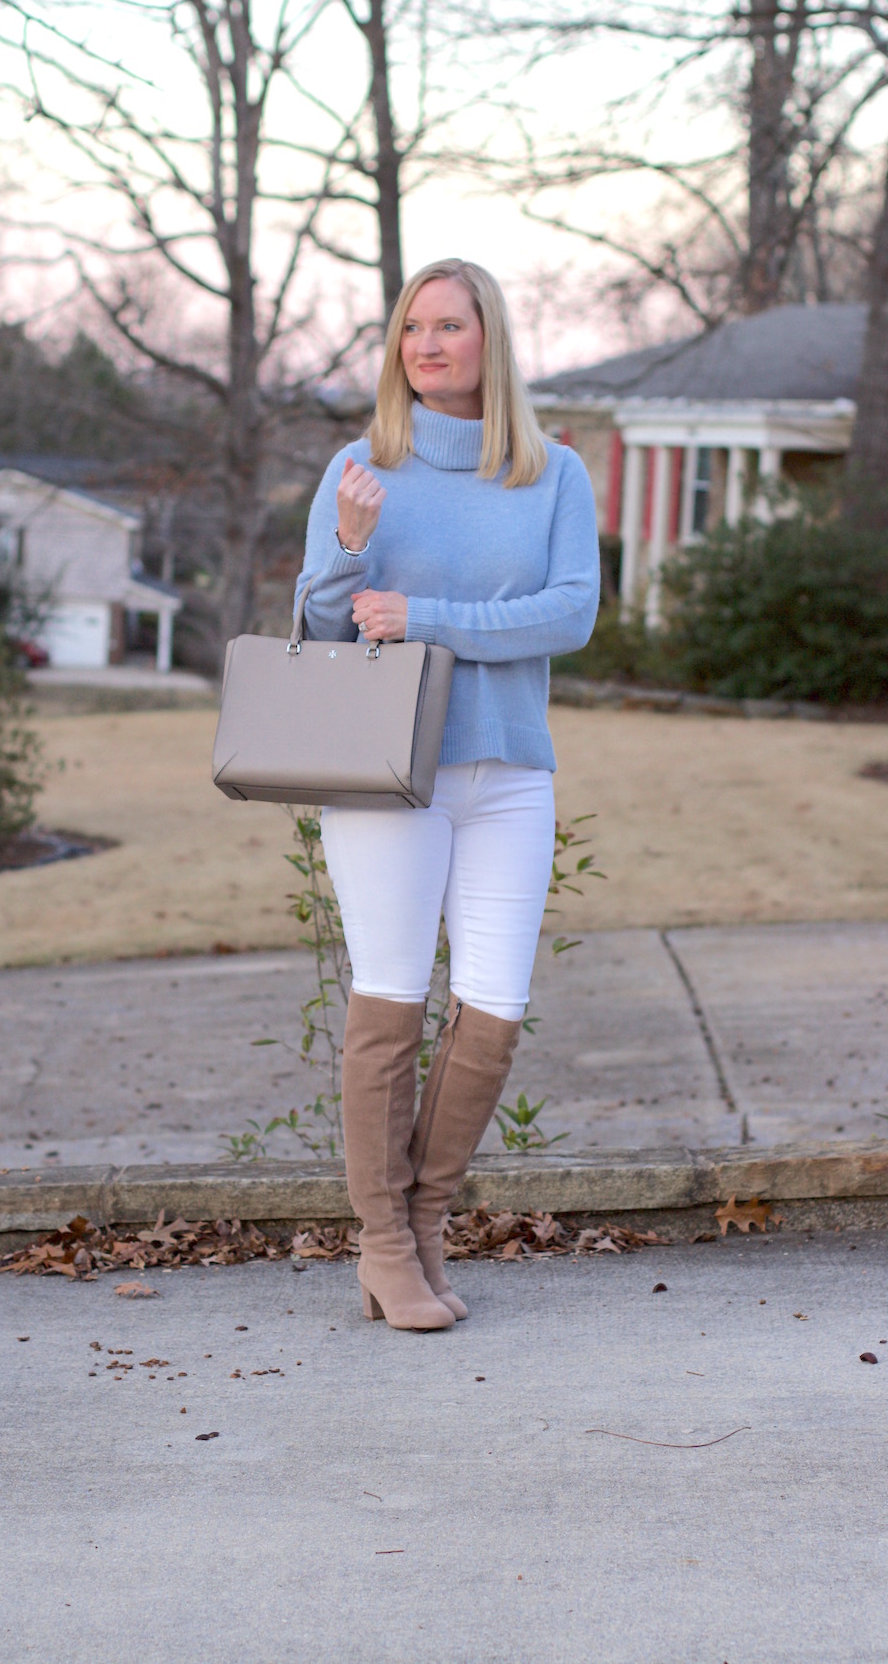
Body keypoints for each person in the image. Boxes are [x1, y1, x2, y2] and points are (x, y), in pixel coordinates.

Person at [296, 257, 600, 1331]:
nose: (425, 345)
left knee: (496, 1008)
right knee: (389, 999)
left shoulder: (552, 472)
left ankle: (424, 1226)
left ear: (489, 340)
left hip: (510, 771)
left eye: (447, 326)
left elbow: (568, 615)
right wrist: (344, 545)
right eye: (410, 328)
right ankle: (384, 1243)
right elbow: (323, 630)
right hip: (391, 775)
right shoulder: (360, 464)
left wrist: (427, 615)